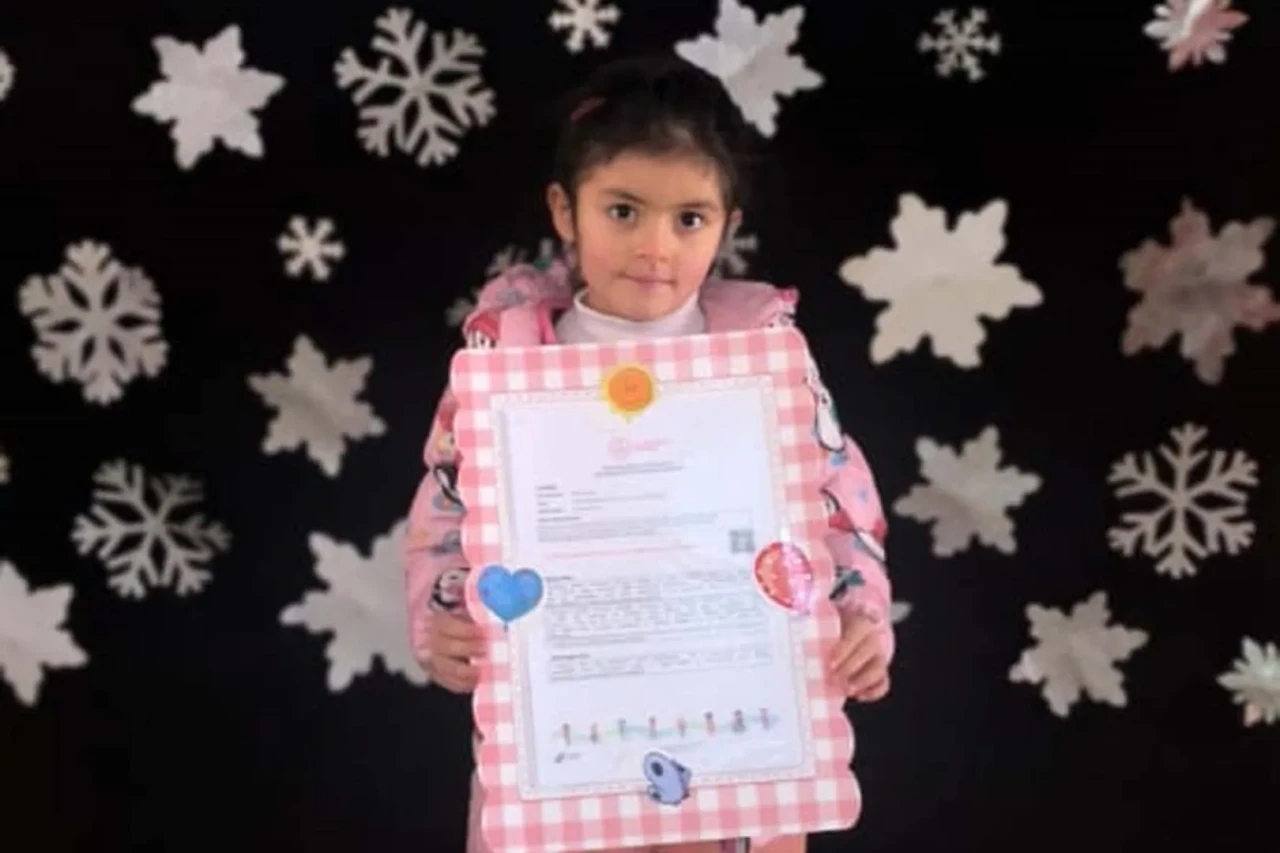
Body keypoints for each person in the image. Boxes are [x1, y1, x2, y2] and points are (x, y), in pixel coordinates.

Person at [403, 54, 895, 853]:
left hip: (735, 737)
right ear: (566, 210)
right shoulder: (506, 365)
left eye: (689, 218)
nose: (655, 246)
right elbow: (445, 512)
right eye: (624, 210)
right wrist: (442, 618)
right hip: (567, 745)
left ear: (728, 225)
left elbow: (838, 506)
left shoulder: (763, 364)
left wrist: (862, 619)